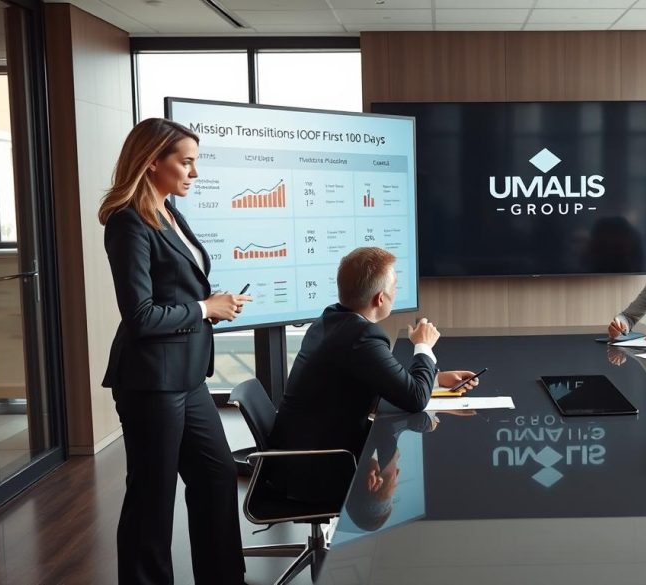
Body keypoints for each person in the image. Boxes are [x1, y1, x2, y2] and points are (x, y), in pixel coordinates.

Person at [99, 118, 250, 584]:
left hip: (188, 377)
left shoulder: (168, 211)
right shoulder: (127, 223)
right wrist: (204, 308)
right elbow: (140, 316)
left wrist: (210, 305)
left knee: (217, 476)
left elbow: (175, 288)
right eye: (186, 162)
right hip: (151, 382)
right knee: (152, 497)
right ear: (151, 162)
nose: (194, 173)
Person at [267, 246, 477, 504]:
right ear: (380, 299)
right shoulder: (362, 336)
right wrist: (423, 346)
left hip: (294, 461)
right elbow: (415, 399)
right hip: (317, 469)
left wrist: (435, 378)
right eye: (395, 287)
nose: (396, 293)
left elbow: (381, 381)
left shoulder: (330, 320)